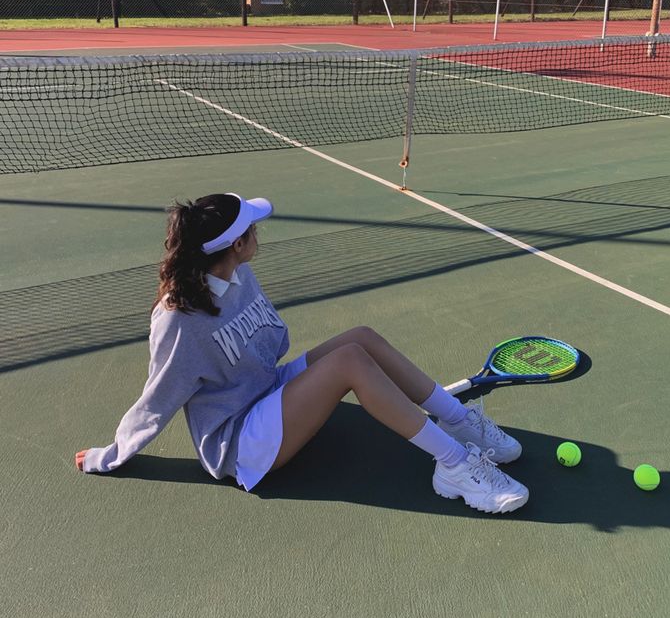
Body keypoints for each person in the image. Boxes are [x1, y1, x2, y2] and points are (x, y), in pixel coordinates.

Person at [76, 193, 529, 514]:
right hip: (240, 444)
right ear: (236, 245)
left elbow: (274, 343)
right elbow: (157, 399)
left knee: (361, 337)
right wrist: (109, 455)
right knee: (350, 362)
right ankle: (454, 466)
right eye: (253, 228)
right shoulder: (178, 319)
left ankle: (459, 422)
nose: (259, 233)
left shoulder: (238, 277)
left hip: (267, 393)